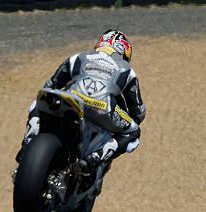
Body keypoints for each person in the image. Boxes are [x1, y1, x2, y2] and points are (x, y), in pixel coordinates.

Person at [15, 29, 146, 173]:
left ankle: (28, 143)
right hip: (103, 108)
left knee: (39, 103)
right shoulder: (127, 70)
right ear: (125, 52)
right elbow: (138, 112)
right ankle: (97, 156)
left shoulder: (80, 56)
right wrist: (124, 115)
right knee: (133, 132)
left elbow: (51, 84)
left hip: (73, 100)